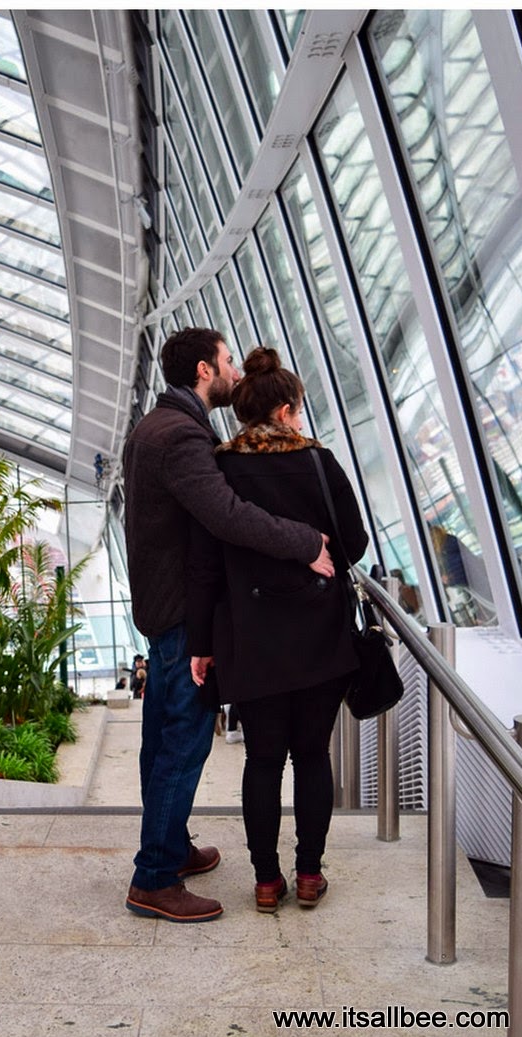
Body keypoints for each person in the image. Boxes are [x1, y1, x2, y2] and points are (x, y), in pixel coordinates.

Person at [121, 327, 334, 924]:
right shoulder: (184, 436)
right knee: (181, 748)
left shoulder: (151, 427)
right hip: (180, 617)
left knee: (160, 743)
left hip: (159, 609)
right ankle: (154, 879)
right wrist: (303, 541)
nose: (236, 370)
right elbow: (227, 516)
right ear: (202, 371)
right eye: (226, 360)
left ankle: (171, 848)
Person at [187, 345, 369, 913]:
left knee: (263, 760)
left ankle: (266, 882)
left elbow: (205, 564)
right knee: (312, 754)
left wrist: (202, 643)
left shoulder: (220, 467)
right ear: (288, 410)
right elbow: (355, 545)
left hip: (250, 635)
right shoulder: (321, 462)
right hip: (321, 634)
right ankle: (309, 873)